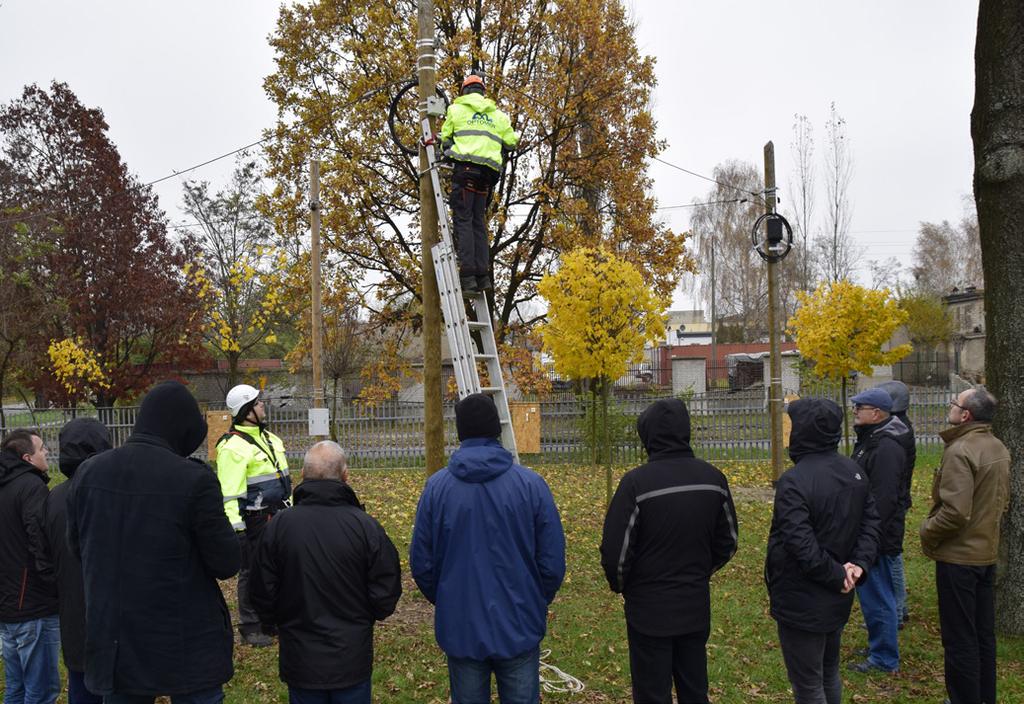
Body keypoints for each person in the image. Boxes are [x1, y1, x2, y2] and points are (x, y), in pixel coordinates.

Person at [67, 381, 240, 703]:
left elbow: (78, 548)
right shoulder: (194, 479)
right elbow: (226, 562)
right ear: (183, 429)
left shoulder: (89, 473)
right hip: (184, 641)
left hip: (115, 638)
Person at [410, 393, 565, 704]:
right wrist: (532, 599)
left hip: (462, 624)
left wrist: (449, 599)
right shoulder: (531, 485)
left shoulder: (437, 488)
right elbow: (551, 561)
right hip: (518, 621)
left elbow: (422, 563)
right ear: (497, 429)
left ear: (461, 432)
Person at [599, 397, 738, 704]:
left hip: (650, 611)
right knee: (694, 690)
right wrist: (699, 572)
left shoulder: (636, 484)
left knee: (651, 693)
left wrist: (625, 586)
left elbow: (615, 553)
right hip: (693, 605)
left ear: (647, 436)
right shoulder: (713, 479)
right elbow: (728, 542)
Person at [250, 441, 402, 704]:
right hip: (349, 654)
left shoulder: (280, 527)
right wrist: (369, 614)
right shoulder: (365, 527)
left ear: (302, 475)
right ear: (345, 476)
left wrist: (275, 621)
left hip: (302, 654)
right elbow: (386, 586)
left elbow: (262, 587)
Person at [766, 399, 881, 704]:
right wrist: (853, 568)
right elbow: (871, 522)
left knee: (809, 682)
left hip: (806, 594)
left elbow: (799, 542)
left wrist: (853, 566)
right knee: (827, 671)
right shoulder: (852, 470)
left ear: (804, 430)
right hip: (837, 589)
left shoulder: (795, 481)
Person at [920, 386, 1010, 704]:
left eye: (954, 403)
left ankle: (963, 698)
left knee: (960, 638)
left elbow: (955, 512)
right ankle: (985, 696)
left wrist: (927, 531)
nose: (951, 407)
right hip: (985, 553)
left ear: (966, 414)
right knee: (983, 635)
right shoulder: (996, 445)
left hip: (960, 559)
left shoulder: (962, 450)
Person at [41, 418, 112, 704]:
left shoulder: (54, 497)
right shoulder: (111, 494)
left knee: (81, 686)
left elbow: (45, 558)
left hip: (72, 613)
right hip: (112, 615)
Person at [215, 383, 292, 647]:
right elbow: (229, 494)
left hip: (279, 515)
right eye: (258, 403)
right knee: (251, 572)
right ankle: (250, 626)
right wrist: (238, 531)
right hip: (253, 520)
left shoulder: (271, 439)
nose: (263, 406)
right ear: (246, 410)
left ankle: (272, 620)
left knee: (279, 569)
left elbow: (283, 483)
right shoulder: (232, 447)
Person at [847, 386, 909, 674]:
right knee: (871, 593)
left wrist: (868, 537)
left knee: (878, 594)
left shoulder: (885, 448)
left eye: (861, 407)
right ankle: (879, 645)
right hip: (871, 532)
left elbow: (883, 499)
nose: (855, 411)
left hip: (878, 535)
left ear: (877, 413)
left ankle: (884, 657)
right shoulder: (872, 440)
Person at [440, 73, 519, 294]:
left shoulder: (456, 110)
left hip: (465, 170)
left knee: (463, 221)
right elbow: (512, 142)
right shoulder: (499, 116)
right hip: (487, 175)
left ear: (465, 92)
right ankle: (483, 277)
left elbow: (445, 139)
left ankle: (468, 276)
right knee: (478, 223)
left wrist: (446, 150)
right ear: (483, 92)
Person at [0, 428, 59, 704]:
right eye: (41, 449)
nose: (46, 452)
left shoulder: (6, 485)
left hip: (8, 603)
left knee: (16, 686)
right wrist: (54, 582)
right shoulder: (31, 487)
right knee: (41, 688)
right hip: (33, 604)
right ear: (27, 457)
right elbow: (41, 540)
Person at [877, 380, 916, 626]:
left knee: (892, 555)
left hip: (894, 501)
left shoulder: (897, 430)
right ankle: (894, 607)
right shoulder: (898, 426)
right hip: (896, 499)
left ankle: (898, 608)